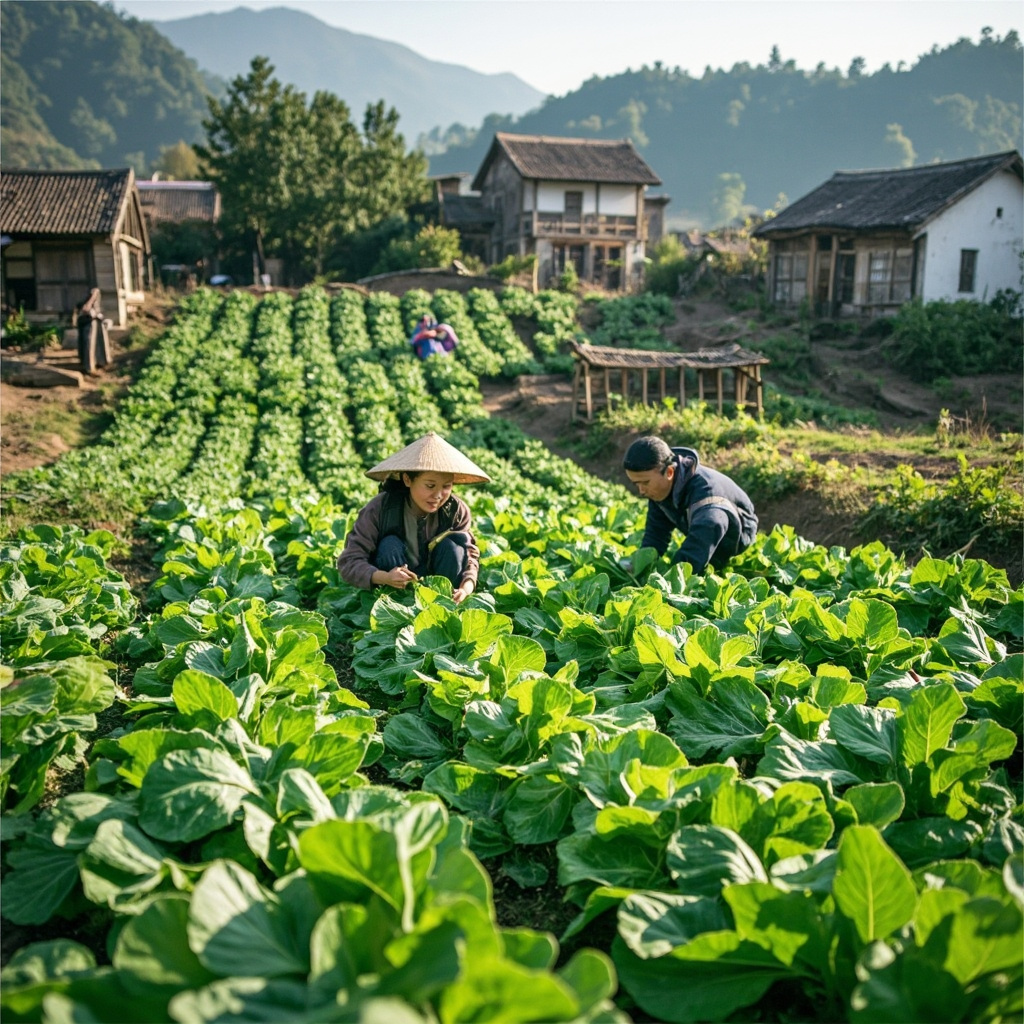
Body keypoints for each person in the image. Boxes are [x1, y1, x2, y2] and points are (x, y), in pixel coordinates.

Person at [337, 432, 489, 603]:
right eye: (430, 486)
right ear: (408, 480)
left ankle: (447, 604)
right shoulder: (379, 509)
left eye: (446, 486)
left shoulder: (456, 511)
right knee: (389, 545)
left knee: (454, 548)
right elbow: (349, 562)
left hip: (441, 589)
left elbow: (470, 557)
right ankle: (399, 600)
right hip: (393, 590)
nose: (438, 495)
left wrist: (465, 588)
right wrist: (385, 577)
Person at [622, 435, 758, 573]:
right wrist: (640, 565)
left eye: (645, 483)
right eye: (636, 484)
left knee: (703, 563)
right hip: (704, 525)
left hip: (736, 533)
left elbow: (703, 536)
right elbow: (656, 533)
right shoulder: (659, 488)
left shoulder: (707, 494)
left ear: (669, 472)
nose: (641, 491)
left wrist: (674, 577)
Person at [74, 288, 110, 375]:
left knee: (93, 344)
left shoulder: (94, 296)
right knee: (86, 345)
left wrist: (90, 303)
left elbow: (95, 295)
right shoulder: (83, 300)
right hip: (85, 323)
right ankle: (88, 366)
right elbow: (82, 308)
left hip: (92, 322)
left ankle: (94, 365)